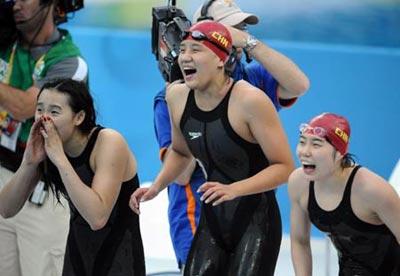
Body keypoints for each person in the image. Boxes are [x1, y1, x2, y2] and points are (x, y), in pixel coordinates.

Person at [153, 0, 310, 268]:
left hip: (251, 214)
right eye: (231, 27)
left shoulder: (252, 82)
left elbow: (299, 84)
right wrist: (200, 109)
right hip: (196, 213)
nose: (237, 35)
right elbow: (180, 170)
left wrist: (250, 43)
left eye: (242, 28)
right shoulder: (172, 97)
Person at [0, 79, 146, 276]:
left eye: (54, 112)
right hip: (77, 257)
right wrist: (29, 162)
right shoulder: (48, 148)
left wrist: (60, 159)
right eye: (40, 109)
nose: (44, 119)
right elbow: (6, 209)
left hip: (120, 257)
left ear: (79, 117)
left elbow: (97, 218)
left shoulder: (108, 142)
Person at [0, 1, 88, 275]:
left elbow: (26, 107)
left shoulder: (70, 61)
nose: (16, 3)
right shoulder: (7, 42)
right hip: (4, 177)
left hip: (43, 190)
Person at [288, 112, 400, 275]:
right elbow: (300, 241)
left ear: (340, 153)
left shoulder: (371, 190)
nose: (304, 151)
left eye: (316, 144)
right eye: (302, 142)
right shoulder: (299, 183)